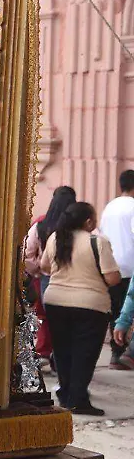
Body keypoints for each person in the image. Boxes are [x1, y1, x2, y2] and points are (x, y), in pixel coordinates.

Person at [40, 201, 121, 415]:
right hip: (90, 306)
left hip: (56, 302)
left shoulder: (56, 238)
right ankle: (77, 400)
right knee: (84, 353)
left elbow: (44, 266)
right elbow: (112, 278)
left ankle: (66, 394)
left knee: (63, 351)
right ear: (88, 221)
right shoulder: (98, 242)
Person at [23, 186, 77, 360]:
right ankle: (64, 355)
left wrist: (38, 270)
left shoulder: (41, 225)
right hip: (74, 280)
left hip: (46, 278)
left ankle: (45, 351)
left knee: (46, 316)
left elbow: (27, 253)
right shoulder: (79, 228)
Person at [100, 170, 134, 369]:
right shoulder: (132, 207)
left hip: (111, 266)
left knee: (115, 311)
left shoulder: (109, 207)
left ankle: (116, 352)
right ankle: (125, 354)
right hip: (130, 266)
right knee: (127, 309)